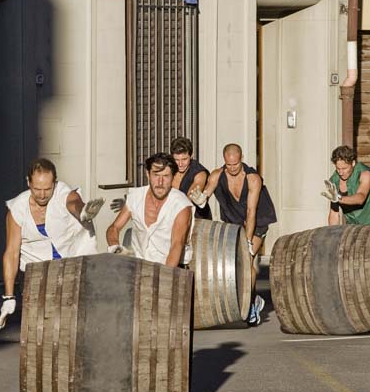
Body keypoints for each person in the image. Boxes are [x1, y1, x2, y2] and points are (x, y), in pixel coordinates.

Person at [0, 158, 105, 328]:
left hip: (71, 267)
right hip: (35, 273)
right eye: (37, 189)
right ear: (28, 182)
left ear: (54, 184)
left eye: (48, 189)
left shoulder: (63, 193)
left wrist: (83, 212)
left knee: (74, 323)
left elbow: (74, 203)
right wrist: (9, 296)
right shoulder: (17, 208)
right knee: (40, 327)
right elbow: (12, 252)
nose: (42, 194)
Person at [190, 143, 277, 326]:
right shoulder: (217, 175)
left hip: (257, 221)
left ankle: (252, 303)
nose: (232, 168)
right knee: (236, 266)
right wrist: (200, 200)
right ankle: (246, 300)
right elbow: (205, 194)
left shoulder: (253, 179)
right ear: (224, 161)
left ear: (241, 159)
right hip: (233, 223)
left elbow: (251, 212)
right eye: (228, 165)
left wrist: (246, 240)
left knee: (248, 264)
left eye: (235, 164)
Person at [106, 153, 193, 267]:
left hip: (170, 267)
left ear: (173, 177)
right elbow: (114, 228)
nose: (160, 182)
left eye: (166, 176)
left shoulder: (181, 205)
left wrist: (165, 277)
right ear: (148, 174)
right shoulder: (135, 197)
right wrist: (115, 248)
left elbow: (176, 245)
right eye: (156, 175)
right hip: (138, 265)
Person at [320, 145, 370, 225]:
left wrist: (339, 199)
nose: (341, 173)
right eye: (338, 169)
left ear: (353, 163)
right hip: (353, 225)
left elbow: (360, 198)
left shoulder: (365, 174)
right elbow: (334, 213)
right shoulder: (334, 180)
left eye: (344, 168)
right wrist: (332, 233)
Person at [170, 136, 213, 220]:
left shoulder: (199, 172)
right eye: (176, 160)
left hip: (197, 218)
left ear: (191, 156)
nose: (180, 164)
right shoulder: (169, 169)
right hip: (173, 217)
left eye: (184, 159)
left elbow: (192, 194)